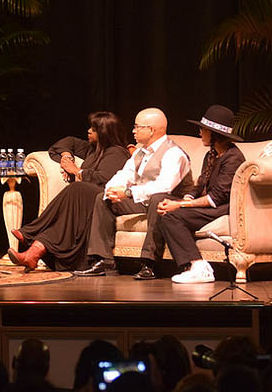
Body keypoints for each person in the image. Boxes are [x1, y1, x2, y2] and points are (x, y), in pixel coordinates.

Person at [74, 107, 193, 279]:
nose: (133, 131)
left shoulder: (173, 153)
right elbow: (124, 174)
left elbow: (164, 186)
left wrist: (128, 192)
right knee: (103, 198)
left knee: (158, 199)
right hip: (142, 200)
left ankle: (149, 263)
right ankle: (103, 260)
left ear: (151, 130)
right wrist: (113, 190)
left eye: (137, 127)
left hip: (170, 202)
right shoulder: (139, 152)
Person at [8, 112, 131, 271]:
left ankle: (30, 232)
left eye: (93, 129)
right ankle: (32, 255)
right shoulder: (92, 149)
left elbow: (105, 180)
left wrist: (77, 171)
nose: (88, 131)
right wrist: (67, 156)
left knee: (77, 188)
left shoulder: (117, 152)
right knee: (62, 224)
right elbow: (65, 143)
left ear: (104, 132)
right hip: (83, 201)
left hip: (104, 200)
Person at [155, 105, 245, 283]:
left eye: (204, 130)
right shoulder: (211, 155)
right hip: (209, 206)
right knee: (165, 208)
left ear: (215, 134)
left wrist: (179, 205)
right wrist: (186, 198)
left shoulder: (232, 158)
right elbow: (200, 185)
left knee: (172, 216)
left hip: (222, 208)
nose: (200, 133)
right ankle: (190, 267)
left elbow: (216, 197)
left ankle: (198, 266)